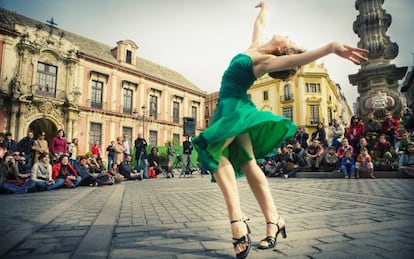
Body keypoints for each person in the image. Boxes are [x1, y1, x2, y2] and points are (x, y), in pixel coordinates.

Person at [190, 2, 368, 258]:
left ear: (283, 50)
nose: (286, 35)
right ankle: (274, 220)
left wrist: (331, 47)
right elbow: (259, 24)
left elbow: (300, 58)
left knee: (214, 154)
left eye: (289, 39)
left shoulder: (266, 60)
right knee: (249, 165)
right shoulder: (255, 48)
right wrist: (265, 6)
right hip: (232, 108)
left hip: (235, 109)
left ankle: (236, 223)